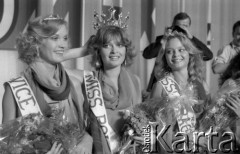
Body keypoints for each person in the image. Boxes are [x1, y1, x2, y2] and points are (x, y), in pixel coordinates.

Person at [2, 15, 92, 154]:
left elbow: (85, 129)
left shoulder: (73, 82)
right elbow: (5, 147)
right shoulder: (15, 89)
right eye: (55, 38)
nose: (63, 45)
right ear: (36, 43)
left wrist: (88, 139)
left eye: (65, 38)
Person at [82, 24, 142, 153]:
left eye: (120, 45)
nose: (114, 51)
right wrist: (83, 50)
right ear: (98, 51)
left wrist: (147, 137)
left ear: (126, 49)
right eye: (107, 45)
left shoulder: (135, 81)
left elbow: (142, 121)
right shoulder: (87, 81)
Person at [150, 30, 209, 153]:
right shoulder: (160, 86)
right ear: (165, 57)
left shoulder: (202, 84)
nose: (176, 55)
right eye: (170, 51)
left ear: (190, 53)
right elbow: (151, 126)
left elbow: (209, 120)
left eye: (181, 50)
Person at [143, 12, 213, 92]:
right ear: (173, 25)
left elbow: (209, 55)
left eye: (185, 26)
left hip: (188, 84)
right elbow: (147, 54)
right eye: (178, 26)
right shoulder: (165, 40)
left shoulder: (189, 41)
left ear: (189, 27)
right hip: (166, 84)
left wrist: (191, 37)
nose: (181, 29)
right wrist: (164, 39)